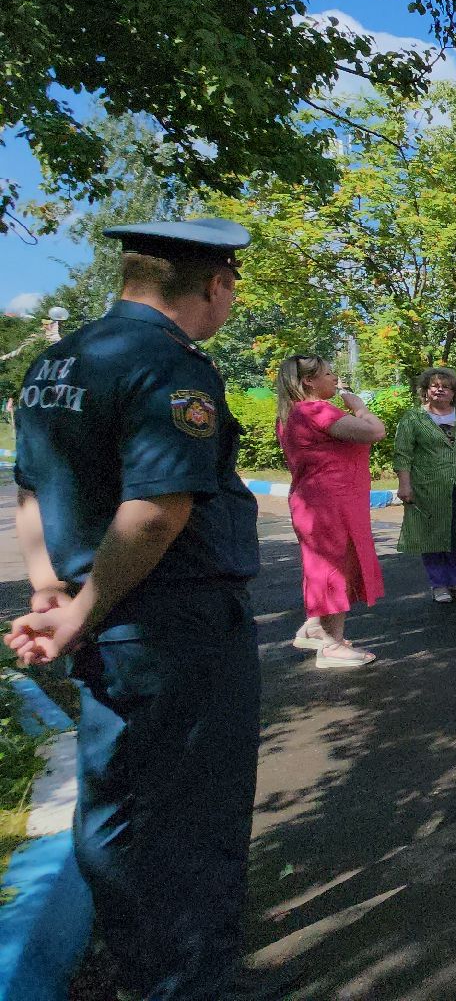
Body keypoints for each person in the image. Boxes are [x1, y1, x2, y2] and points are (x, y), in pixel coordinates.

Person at [6, 217, 263, 997]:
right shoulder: (170, 367)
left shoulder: (57, 360)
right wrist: (80, 610)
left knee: (115, 797)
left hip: (110, 619)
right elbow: (156, 509)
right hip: (172, 623)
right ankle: (188, 983)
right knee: (195, 811)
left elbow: (32, 483)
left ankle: (140, 967)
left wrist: (49, 587)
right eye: (230, 290)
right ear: (215, 286)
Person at [275, 354, 386, 668]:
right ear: (308, 381)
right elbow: (375, 431)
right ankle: (332, 646)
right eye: (328, 373)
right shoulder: (315, 410)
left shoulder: (292, 413)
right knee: (331, 568)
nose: (335, 378)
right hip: (329, 503)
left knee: (328, 564)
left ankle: (315, 628)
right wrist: (359, 406)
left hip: (321, 501)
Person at [394, 366, 456, 602]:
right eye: (435, 386)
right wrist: (405, 485)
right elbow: (402, 454)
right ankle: (438, 584)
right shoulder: (413, 418)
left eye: (446, 387)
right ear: (425, 390)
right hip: (428, 485)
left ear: (454, 392)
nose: (440, 390)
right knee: (432, 533)